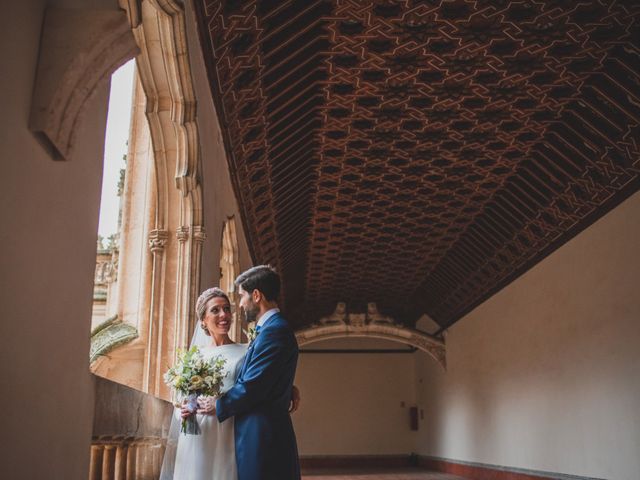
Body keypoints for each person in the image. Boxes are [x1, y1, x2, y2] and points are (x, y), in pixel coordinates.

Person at [160, 286, 300, 480]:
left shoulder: (246, 350)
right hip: (201, 432)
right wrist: (184, 409)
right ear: (203, 320)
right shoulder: (194, 357)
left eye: (226, 309)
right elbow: (184, 397)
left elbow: (262, 380)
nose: (223, 314)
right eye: (215, 310)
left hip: (231, 428)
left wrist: (289, 388)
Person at [210, 265, 301, 480]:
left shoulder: (274, 331)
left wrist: (216, 405)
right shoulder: (270, 330)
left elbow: (253, 385)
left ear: (257, 295)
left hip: (262, 435)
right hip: (258, 432)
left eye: (242, 296)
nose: (240, 304)